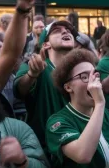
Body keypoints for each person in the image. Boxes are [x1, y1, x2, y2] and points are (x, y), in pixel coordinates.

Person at [14, 20, 75, 148]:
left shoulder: (80, 69)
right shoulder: (35, 66)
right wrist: (32, 74)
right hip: (45, 148)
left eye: (68, 31)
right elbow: (19, 90)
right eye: (57, 31)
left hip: (77, 141)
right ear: (46, 44)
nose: (65, 31)